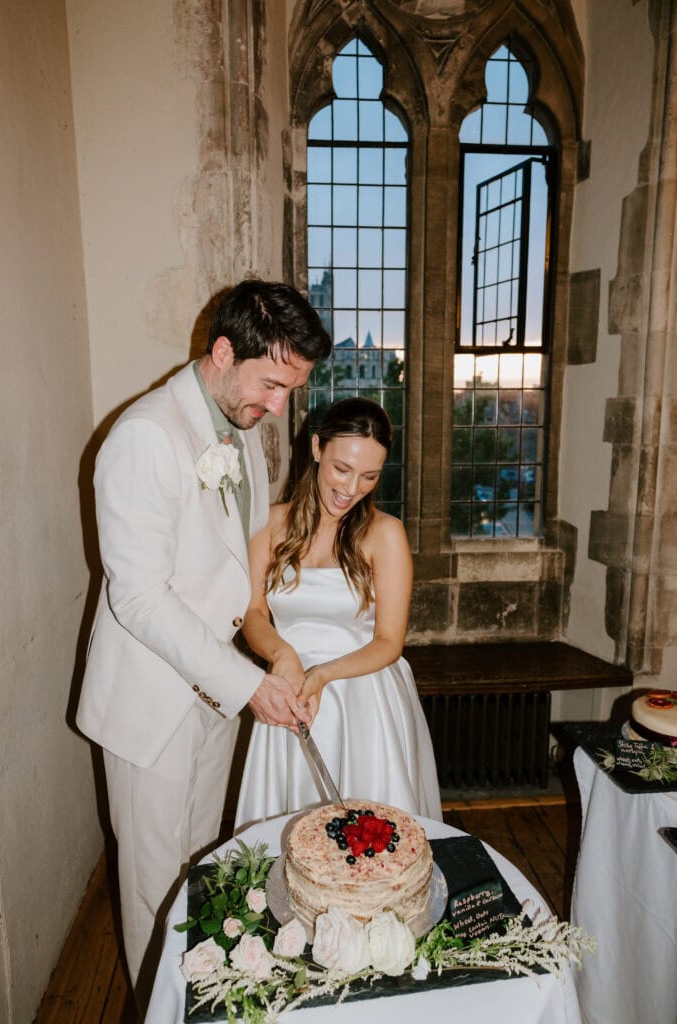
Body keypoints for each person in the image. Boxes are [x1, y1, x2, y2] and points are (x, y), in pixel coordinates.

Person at [75, 279, 331, 1009]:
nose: (279, 405)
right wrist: (248, 684)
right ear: (224, 352)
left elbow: (239, 564)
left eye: (293, 388)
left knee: (202, 875)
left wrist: (273, 653)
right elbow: (139, 598)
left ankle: (205, 1003)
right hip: (147, 707)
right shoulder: (144, 436)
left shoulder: (241, 431)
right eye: (273, 383)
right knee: (154, 891)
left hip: (211, 700)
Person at [234, 397, 443, 832]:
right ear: (316, 448)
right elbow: (252, 612)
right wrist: (283, 656)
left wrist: (324, 674)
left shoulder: (385, 534)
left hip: (363, 697)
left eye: (369, 476)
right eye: (342, 469)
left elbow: (389, 641)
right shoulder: (268, 525)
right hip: (288, 691)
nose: (352, 489)